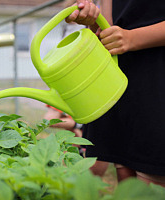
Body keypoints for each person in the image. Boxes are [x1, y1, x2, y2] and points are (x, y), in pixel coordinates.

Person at [66, 0, 165, 186]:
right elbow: (109, 26)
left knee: (151, 182)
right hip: (119, 82)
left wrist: (131, 38)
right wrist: (91, 18)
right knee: (127, 184)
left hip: (156, 83)